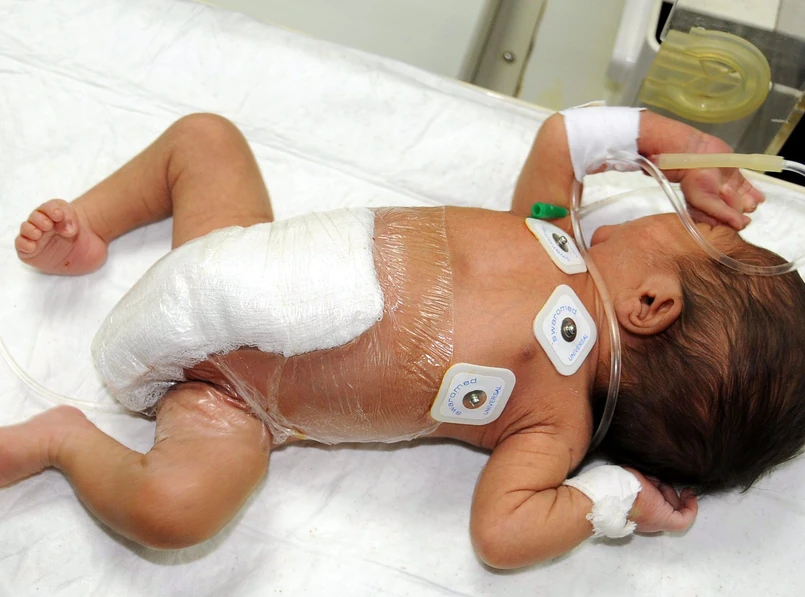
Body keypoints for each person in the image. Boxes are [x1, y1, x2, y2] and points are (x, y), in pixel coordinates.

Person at [4, 109, 805, 568]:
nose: (681, 208)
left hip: (229, 400)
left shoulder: (552, 424)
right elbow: (565, 137)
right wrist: (681, 148)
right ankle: (90, 229)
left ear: (651, 304)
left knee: (178, 508)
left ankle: (60, 441)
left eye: (703, 232)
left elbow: (501, 534)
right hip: (230, 253)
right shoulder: (548, 228)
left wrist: (615, 496)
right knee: (206, 138)